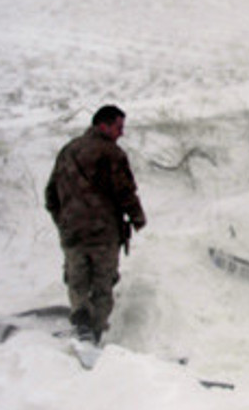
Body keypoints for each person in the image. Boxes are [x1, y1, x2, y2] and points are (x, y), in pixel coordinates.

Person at [44, 105, 146, 344]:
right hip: (103, 234)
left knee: (77, 281)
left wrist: (64, 221)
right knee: (102, 285)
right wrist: (137, 217)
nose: (122, 133)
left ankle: (81, 318)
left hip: (72, 234)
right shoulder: (111, 153)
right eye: (119, 127)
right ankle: (94, 335)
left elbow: (50, 196)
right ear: (104, 126)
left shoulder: (67, 151)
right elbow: (124, 191)